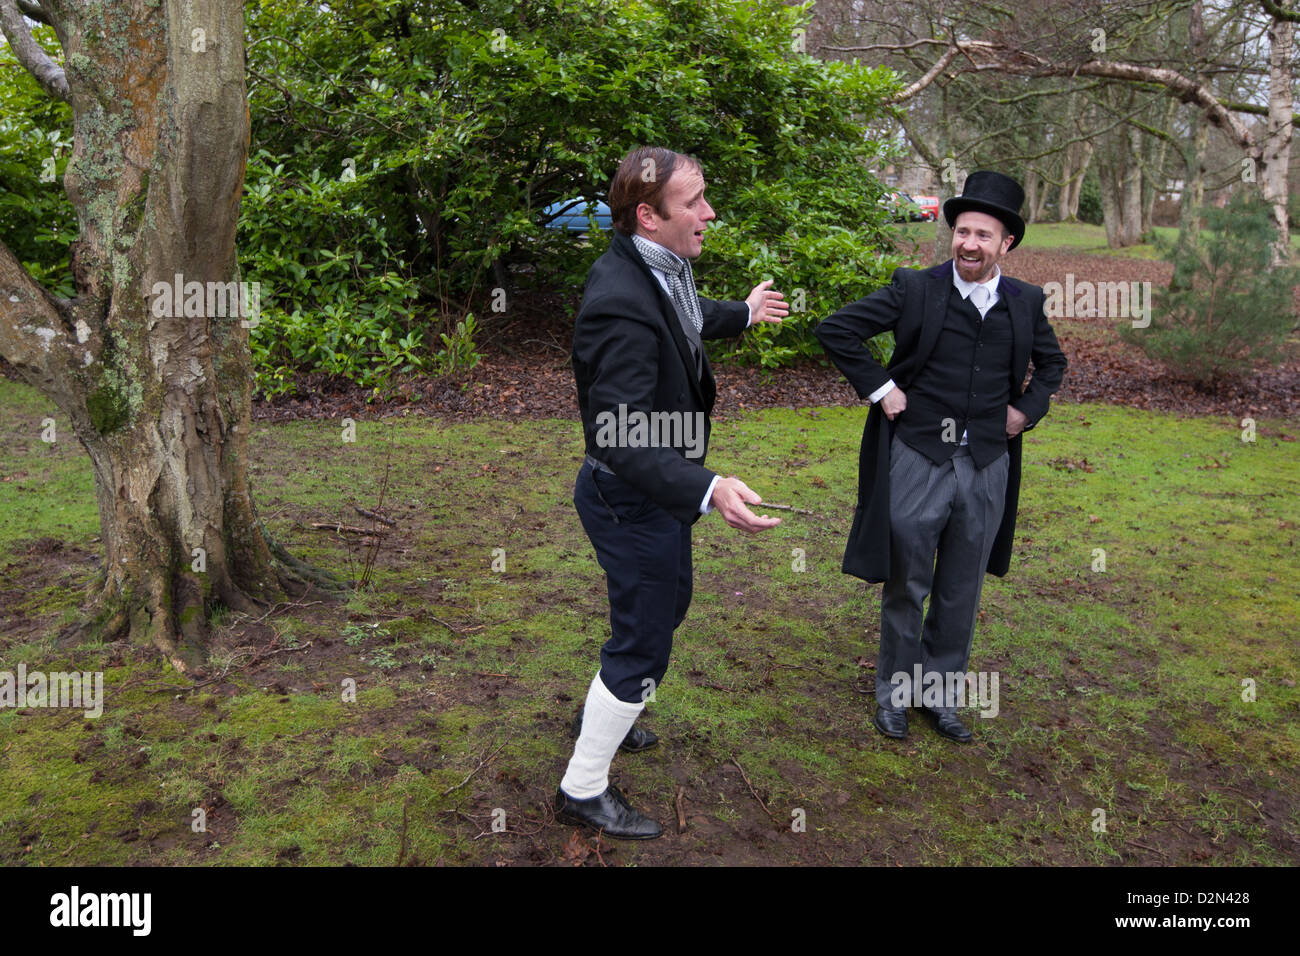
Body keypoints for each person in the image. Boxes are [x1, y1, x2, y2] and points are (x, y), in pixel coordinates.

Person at [557, 146, 788, 839]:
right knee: (646, 640)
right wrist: (708, 485)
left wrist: (743, 314)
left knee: (663, 606)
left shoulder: (657, 268)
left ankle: (606, 706)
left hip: (653, 494)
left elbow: (685, 316)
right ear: (648, 216)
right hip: (628, 496)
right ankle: (582, 787)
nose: (709, 213)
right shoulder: (617, 303)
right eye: (694, 203)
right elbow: (619, 434)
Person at [814, 171, 1067, 743]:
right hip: (918, 456)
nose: (969, 244)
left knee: (961, 584)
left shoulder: (1026, 303)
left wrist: (1025, 411)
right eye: (962, 231)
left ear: (1007, 244)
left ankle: (940, 694)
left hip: (985, 464)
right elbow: (838, 330)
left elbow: (1051, 367)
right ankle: (895, 694)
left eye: (983, 234)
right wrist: (884, 390)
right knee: (908, 579)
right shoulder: (916, 288)